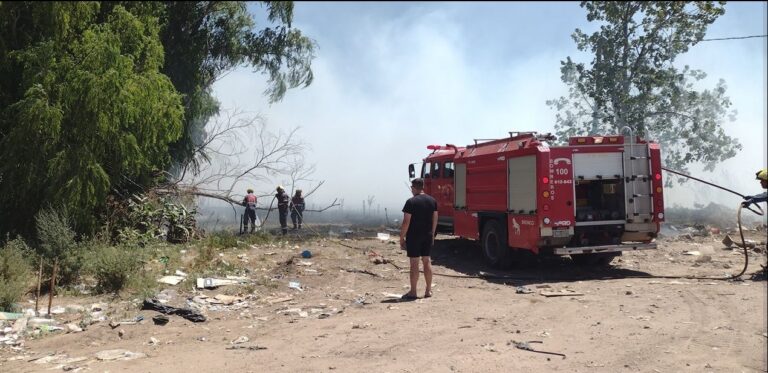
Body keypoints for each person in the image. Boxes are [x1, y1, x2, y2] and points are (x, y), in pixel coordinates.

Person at [399, 178, 438, 300]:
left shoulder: (410, 202)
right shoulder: (432, 201)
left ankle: (413, 291)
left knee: (414, 263)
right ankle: (428, 290)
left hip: (414, 236)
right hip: (427, 235)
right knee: (427, 261)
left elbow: (406, 222)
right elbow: (435, 218)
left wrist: (401, 238)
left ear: (413, 188)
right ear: (423, 187)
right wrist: (432, 234)